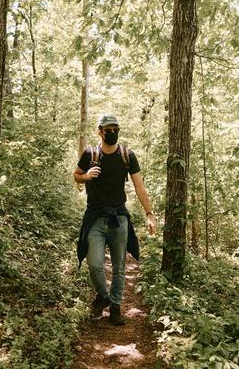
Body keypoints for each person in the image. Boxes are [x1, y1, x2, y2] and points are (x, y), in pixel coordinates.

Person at [74, 114, 157, 326]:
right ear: (100, 131)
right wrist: (86, 176)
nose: (112, 133)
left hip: (119, 218)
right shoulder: (90, 154)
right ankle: (102, 296)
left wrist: (149, 213)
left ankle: (116, 307)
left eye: (115, 129)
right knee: (94, 264)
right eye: (108, 129)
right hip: (95, 218)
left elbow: (139, 185)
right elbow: (76, 174)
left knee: (120, 266)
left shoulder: (127, 155)